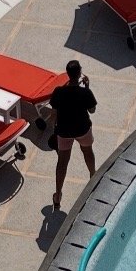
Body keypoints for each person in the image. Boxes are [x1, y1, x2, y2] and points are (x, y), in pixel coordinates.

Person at [49, 59, 98, 212]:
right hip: (82, 129)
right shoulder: (85, 92)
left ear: (67, 74)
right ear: (79, 73)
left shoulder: (58, 92)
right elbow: (92, 110)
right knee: (87, 152)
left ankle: (57, 196)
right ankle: (93, 177)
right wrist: (87, 88)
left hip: (64, 131)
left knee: (62, 162)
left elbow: (53, 115)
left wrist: (54, 130)